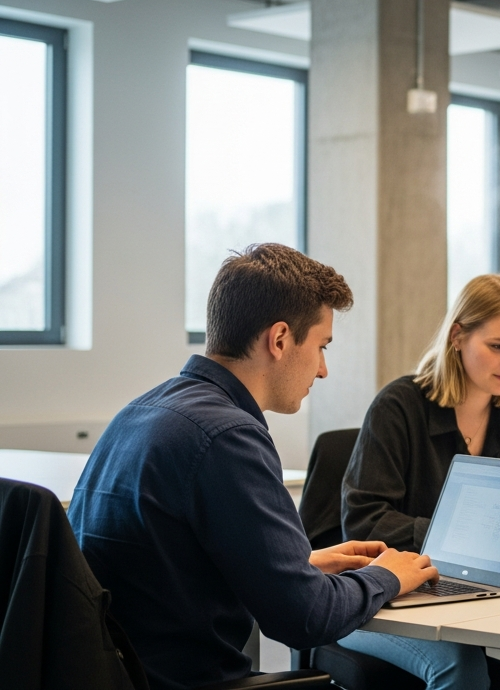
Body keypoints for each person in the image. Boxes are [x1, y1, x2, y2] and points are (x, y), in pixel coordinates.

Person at [69, 244, 437, 690]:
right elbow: (306, 619)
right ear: (280, 340)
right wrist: (386, 577)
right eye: (321, 346)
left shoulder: (143, 411)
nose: (322, 370)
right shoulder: (227, 436)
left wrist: (300, 569)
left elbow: (166, 570)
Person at [339, 274, 500, 690]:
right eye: (498, 347)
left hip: (489, 591)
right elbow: (364, 521)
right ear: (457, 337)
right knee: (460, 670)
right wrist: (469, 539)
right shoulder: (399, 407)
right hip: (383, 596)